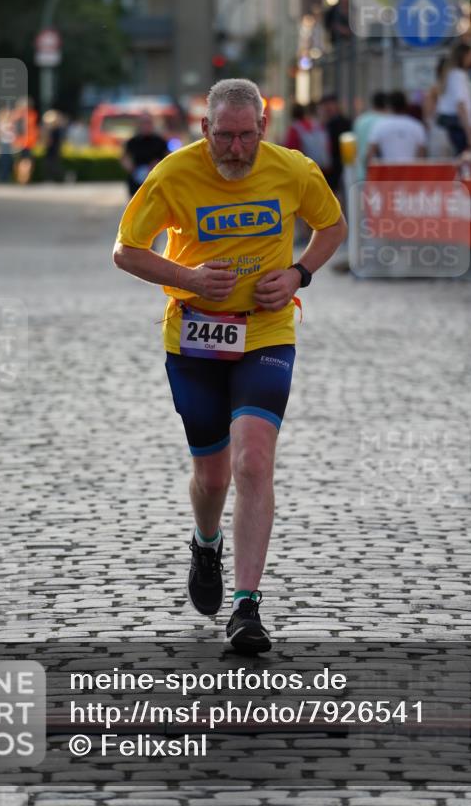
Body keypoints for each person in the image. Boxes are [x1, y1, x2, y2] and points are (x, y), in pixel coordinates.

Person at [113, 78, 347, 653]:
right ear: (205, 130)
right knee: (213, 475)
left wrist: (298, 274)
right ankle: (205, 540)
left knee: (252, 460)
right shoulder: (173, 175)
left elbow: (332, 226)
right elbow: (125, 250)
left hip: (266, 330)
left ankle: (247, 607)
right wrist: (187, 278)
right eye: (225, 137)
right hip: (194, 338)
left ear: (264, 128)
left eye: (246, 136)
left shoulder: (293, 169)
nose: (236, 149)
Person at [435, 42, 471, 154]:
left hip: (447, 124)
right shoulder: (458, 75)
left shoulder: (449, 75)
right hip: (458, 127)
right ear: (464, 56)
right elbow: (461, 104)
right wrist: (470, 136)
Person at [366, 91, 427, 164]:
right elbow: (421, 155)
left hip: (388, 172)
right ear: (405, 105)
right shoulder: (417, 126)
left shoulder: (380, 126)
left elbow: (370, 155)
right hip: (410, 171)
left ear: (389, 105)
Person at [121, 113, 169, 197]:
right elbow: (125, 158)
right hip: (136, 183)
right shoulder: (132, 142)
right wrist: (131, 167)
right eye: (143, 122)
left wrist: (158, 165)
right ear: (139, 124)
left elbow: (168, 159)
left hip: (155, 182)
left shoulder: (160, 141)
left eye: (148, 122)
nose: (146, 125)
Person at [317, 94, 351, 195]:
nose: (327, 108)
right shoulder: (321, 124)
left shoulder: (343, 122)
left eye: (330, 105)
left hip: (339, 163)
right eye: (325, 106)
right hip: (326, 164)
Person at [352, 91, 388, 182]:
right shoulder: (386, 121)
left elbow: (354, 146)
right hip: (380, 175)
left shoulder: (360, 120)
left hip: (361, 173)